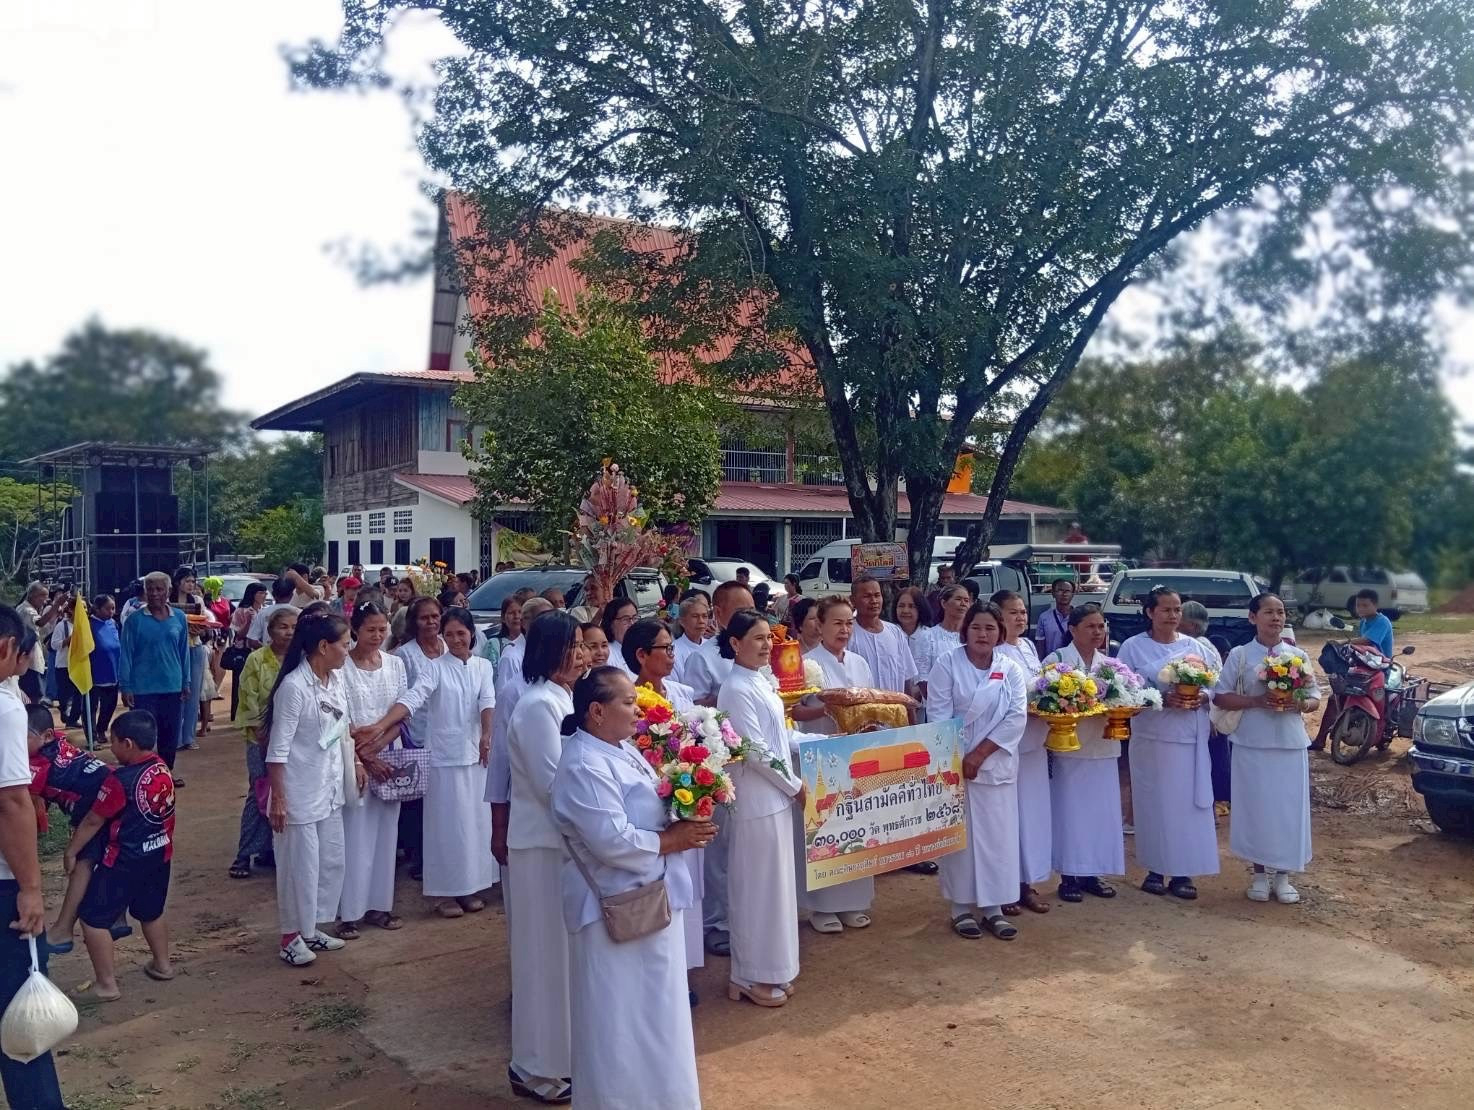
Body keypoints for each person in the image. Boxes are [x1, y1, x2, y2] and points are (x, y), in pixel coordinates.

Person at [550, 667, 708, 1110]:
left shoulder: (622, 748)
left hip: (652, 897)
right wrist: (672, 840)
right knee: (617, 1022)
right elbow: (612, 841)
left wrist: (687, 810)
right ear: (597, 711)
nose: (638, 709)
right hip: (613, 908)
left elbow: (650, 804)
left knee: (659, 1015)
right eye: (628, 702)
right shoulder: (584, 764)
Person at [368, 608, 498, 918]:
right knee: (446, 828)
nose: (455, 640)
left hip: (476, 757)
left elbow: (487, 701)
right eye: (449, 634)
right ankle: (443, 893)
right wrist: (380, 726)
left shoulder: (482, 666)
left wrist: (487, 734)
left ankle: (469, 887)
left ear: (471, 634)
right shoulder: (435, 668)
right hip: (443, 759)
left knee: (473, 827)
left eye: (461, 633)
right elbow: (414, 698)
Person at [504, 612, 585, 1104]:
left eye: (582, 645)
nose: (582, 655)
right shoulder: (537, 706)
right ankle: (535, 1068)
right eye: (573, 646)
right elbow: (553, 784)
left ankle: (562, 1059)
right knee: (541, 957)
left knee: (561, 957)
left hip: (560, 845)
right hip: (540, 846)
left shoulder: (562, 698)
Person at [717, 609, 804, 1007]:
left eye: (769, 637)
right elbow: (754, 751)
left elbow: (779, 737)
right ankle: (749, 975)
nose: (767, 645)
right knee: (756, 890)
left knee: (777, 891)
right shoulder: (735, 688)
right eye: (757, 638)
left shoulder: (760, 680)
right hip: (756, 799)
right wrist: (795, 786)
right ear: (735, 643)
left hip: (776, 798)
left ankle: (776, 969)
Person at [927, 601, 1028, 941]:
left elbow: (1016, 717)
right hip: (956, 764)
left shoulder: (1010, 668)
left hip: (996, 765)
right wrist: (959, 758)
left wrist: (980, 754)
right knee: (961, 839)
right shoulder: (947, 663)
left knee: (998, 838)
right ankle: (960, 908)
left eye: (989, 628)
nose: (982, 634)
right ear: (965, 630)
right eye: (976, 627)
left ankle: (994, 908)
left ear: (1000, 633)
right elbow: (938, 716)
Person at [1212, 594, 1319, 904]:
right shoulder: (1240, 655)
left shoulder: (1297, 655)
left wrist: (1299, 703)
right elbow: (1220, 695)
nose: (1276, 618)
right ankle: (1259, 874)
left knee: (1287, 811)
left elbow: (1314, 697)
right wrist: (1256, 701)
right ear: (1252, 618)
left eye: (1281, 612)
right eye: (1269, 612)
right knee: (1255, 808)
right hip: (1251, 742)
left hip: (1289, 743)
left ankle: (1283, 876)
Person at [262, 612, 355, 966]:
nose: (348, 649)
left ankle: (311, 928)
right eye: (344, 644)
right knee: (298, 867)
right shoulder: (294, 688)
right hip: (297, 793)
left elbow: (342, 727)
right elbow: (277, 750)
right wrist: (279, 798)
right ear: (323, 646)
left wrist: (354, 765)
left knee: (328, 862)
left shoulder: (336, 679)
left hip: (328, 788)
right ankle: (290, 936)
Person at [0, 605, 66, 1108]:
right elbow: (11, 802)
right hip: (3, 884)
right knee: (21, 1018)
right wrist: (30, 888)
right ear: (8, 648)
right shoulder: (4, 709)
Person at [1116, 587, 1220, 900]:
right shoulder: (1133, 647)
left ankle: (1183, 872)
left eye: (1177, 610)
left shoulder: (1195, 647)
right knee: (1154, 803)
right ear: (1150, 612)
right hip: (1151, 738)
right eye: (1166, 609)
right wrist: (1161, 698)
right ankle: (1155, 870)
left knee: (1185, 806)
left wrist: (1201, 696)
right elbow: (1121, 691)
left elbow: (1216, 685)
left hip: (1188, 737)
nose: (1173, 615)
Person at [65, 710, 176, 1000]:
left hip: (124, 861)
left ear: (127, 743)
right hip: (159, 855)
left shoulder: (119, 781)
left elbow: (93, 820)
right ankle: (163, 965)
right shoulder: (162, 767)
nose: (111, 748)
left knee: (92, 917)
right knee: (151, 912)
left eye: (113, 742)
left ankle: (106, 984)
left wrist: (72, 850)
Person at [793, 597, 876, 933]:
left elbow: (871, 702)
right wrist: (830, 709)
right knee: (825, 830)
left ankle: (854, 901)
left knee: (857, 826)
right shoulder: (806, 664)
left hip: (856, 754)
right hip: (821, 756)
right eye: (837, 623)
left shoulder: (860, 663)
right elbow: (794, 711)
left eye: (849, 623)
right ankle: (822, 906)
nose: (844, 630)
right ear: (820, 625)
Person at [1042, 604, 1122, 902]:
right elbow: (1043, 700)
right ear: (1073, 629)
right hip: (1070, 749)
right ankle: (1068, 876)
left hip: (1102, 746)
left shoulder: (1111, 664)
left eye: (1101, 626)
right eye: (1090, 626)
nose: (1097, 632)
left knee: (1100, 813)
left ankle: (1093, 873)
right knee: (1070, 813)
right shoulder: (1057, 661)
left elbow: (1125, 698)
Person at [336, 603, 407, 936]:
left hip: (388, 755)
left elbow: (401, 713)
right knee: (355, 835)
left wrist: (379, 748)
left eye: (382, 629)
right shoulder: (342, 667)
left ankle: (380, 905)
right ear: (355, 629)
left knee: (386, 835)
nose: (377, 636)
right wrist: (364, 758)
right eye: (370, 630)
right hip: (353, 758)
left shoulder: (395, 664)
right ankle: (349, 912)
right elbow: (340, 719)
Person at [27, 705, 112, 953]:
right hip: (109, 789)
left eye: (21, 737)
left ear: (47, 736)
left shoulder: (38, 764)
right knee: (106, 861)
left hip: (98, 806)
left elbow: (28, 807)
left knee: (81, 863)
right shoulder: (58, 741)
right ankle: (115, 919)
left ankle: (63, 930)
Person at [991, 590, 1051, 915]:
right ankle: (1005, 886)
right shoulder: (994, 653)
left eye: (1023, 612)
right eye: (1012, 612)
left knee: (1032, 816)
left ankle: (1027, 882)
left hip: (1035, 743)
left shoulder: (1027, 646)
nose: (1020, 617)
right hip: (1008, 746)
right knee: (1008, 819)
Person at [228, 606, 296, 879]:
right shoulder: (256, 660)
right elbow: (249, 702)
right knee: (259, 792)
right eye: (283, 627)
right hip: (260, 739)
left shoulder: (301, 659)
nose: (288, 632)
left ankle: (271, 850)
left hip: (292, 740)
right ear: (270, 631)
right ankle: (244, 855)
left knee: (285, 793)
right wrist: (265, 739)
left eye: (293, 627)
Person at [118, 571, 190, 781]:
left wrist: (185, 681)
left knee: (170, 733)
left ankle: (165, 774)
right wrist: (126, 686)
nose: (155, 594)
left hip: (172, 685)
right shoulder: (134, 621)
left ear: (168, 591)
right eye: (150, 589)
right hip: (143, 688)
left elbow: (184, 652)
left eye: (159, 589)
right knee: (142, 735)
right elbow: (126, 654)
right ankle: (143, 776)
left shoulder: (179, 618)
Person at [1180, 601, 1230, 813]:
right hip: (1206, 714)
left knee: (1213, 760)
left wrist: (1211, 717)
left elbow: (1214, 684)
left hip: (1210, 715)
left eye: (1180, 617)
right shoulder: (1192, 644)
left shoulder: (1201, 647)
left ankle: (1216, 804)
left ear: (1191, 625)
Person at [849, 574, 918, 696]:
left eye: (877, 595)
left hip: (895, 706)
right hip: (862, 706)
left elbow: (906, 677)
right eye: (867, 596)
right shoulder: (848, 634)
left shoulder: (895, 632)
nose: (874, 601)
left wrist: (909, 706)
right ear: (853, 600)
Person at [170, 567, 210, 752]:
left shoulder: (197, 601)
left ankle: (189, 737)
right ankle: (175, 738)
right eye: (187, 581)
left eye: (193, 581)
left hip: (195, 647)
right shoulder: (168, 602)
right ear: (178, 582)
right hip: (174, 650)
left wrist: (199, 629)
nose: (191, 584)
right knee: (176, 693)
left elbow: (204, 624)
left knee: (193, 694)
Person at [18, 582, 65, 707]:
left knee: (34, 695)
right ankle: (33, 718)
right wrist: (57, 604)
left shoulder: (31, 609)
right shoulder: (26, 610)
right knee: (33, 696)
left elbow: (43, 628)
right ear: (33, 596)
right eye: (43, 597)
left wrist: (57, 613)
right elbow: (40, 622)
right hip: (28, 662)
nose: (45, 601)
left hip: (31, 660)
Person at [228, 582, 267, 718]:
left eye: (265, 593)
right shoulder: (241, 611)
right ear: (253, 594)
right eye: (260, 593)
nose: (264, 595)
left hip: (260, 650)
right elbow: (239, 634)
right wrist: (249, 621)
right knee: (241, 683)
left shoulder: (264, 610)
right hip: (244, 651)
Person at [88, 596, 123, 742]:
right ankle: (92, 737)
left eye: (113, 608)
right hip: (94, 674)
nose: (111, 612)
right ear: (97, 609)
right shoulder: (89, 625)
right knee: (91, 707)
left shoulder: (113, 623)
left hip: (113, 672)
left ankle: (101, 729)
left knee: (110, 705)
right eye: (107, 609)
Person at [47, 605, 83, 730]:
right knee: (65, 694)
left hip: (78, 665)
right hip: (64, 665)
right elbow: (54, 645)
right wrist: (69, 639)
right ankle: (64, 710)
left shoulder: (84, 625)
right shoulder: (62, 626)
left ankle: (72, 719)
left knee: (79, 694)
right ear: (71, 610)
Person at [895, 586, 936, 683]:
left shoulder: (932, 636)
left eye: (911, 606)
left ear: (921, 608)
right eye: (901, 606)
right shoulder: (889, 635)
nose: (905, 610)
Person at [247, 577, 298, 649]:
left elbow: (252, 641)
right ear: (292, 595)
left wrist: (269, 651)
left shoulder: (263, 613)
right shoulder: (299, 613)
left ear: (273, 594)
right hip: (293, 655)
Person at [671, 593, 710, 683]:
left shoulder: (713, 646)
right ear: (682, 621)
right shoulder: (674, 651)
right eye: (695, 616)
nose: (701, 621)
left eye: (704, 616)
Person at [1034, 578, 1076, 659]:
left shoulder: (1080, 616)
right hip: (1052, 663)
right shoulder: (1044, 617)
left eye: (1067, 591)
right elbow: (1040, 646)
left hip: (1075, 662)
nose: (1064, 594)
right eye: (1060, 590)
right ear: (1053, 593)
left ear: (1072, 594)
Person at [480, 595, 524, 668]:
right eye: (511, 613)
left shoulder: (531, 643)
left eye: (520, 612)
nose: (516, 616)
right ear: (503, 618)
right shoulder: (493, 645)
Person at [600, 597, 639, 679]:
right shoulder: (606, 655)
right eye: (625, 619)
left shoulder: (642, 648)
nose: (632, 624)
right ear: (610, 623)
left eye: (635, 618)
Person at [1352, 588, 1395, 658]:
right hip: (1367, 659)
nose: (1360, 609)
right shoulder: (1363, 621)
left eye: (1365, 605)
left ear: (1376, 606)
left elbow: (1367, 641)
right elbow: (1359, 642)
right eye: (1358, 605)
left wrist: (1343, 642)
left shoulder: (1382, 621)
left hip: (1381, 662)